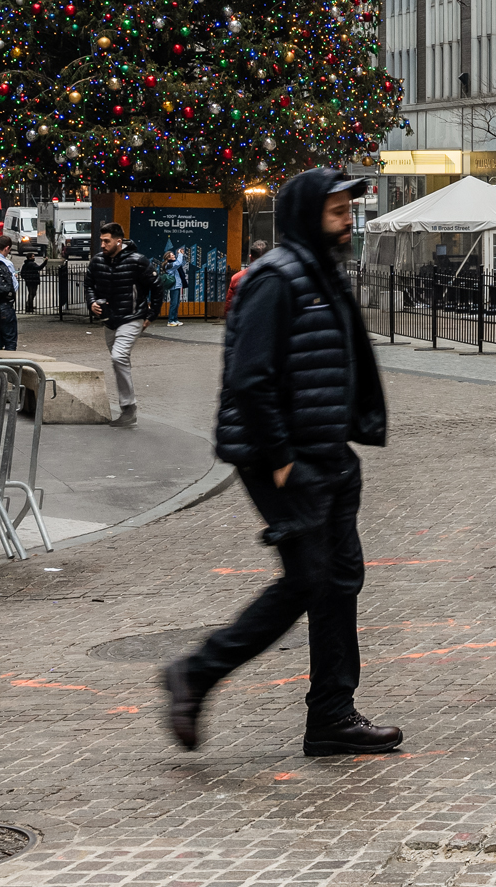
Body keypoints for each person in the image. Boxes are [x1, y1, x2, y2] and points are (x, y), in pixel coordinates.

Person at [164, 169, 402, 757]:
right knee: (310, 578)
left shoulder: (322, 273)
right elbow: (250, 377)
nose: (349, 220)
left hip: (327, 452)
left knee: (339, 581)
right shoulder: (276, 279)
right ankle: (196, 674)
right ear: (306, 214)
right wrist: (278, 462)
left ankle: (331, 716)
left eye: (350, 209)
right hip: (286, 458)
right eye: (337, 211)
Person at [83, 222, 157, 426]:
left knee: (119, 356)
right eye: (101, 241)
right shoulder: (97, 261)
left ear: (119, 241)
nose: (103, 245)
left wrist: (151, 316)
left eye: (107, 241)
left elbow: (157, 286)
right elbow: (89, 284)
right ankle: (128, 408)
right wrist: (92, 303)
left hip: (132, 317)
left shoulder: (137, 261)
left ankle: (128, 407)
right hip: (110, 321)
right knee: (119, 360)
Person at [224, 238, 269, 317]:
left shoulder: (236, 278)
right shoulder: (276, 277)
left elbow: (229, 306)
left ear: (250, 257)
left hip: (243, 321)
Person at [161, 247, 185, 326]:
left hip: (177, 285)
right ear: (168, 257)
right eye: (172, 255)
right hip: (174, 286)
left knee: (176, 303)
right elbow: (178, 263)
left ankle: (175, 319)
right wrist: (180, 254)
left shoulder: (171, 264)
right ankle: (171, 320)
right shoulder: (169, 265)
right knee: (174, 303)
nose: (174, 255)